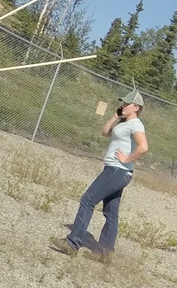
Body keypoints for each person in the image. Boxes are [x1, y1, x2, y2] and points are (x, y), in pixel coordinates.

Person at [52, 90, 149, 259]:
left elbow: (143, 147)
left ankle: (72, 243)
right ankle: (105, 253)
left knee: (88, 200)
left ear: (136, 107)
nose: (123, 106)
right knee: (111, 212)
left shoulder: (136, 124)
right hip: (116, 171)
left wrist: (127, 159)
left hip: (118, 170)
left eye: (127, 104)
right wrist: (115, 117)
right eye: (123, 103)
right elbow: (105, 132)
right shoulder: (124, 123)